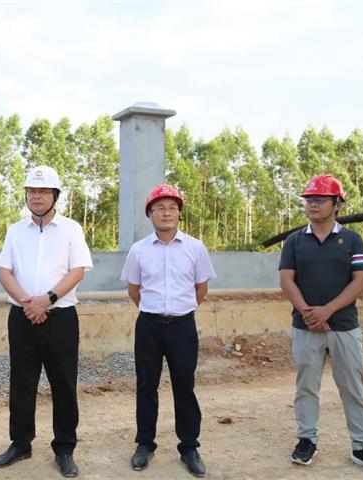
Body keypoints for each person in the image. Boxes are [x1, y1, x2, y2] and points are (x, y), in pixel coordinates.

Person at [279, 174, 363, 477]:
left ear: (337, 204)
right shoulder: (294, 241)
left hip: (344, 326)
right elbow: (287, 280)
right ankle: (306, 440)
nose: (313, 204)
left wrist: (327, 311)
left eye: (320, 199)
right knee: (306, 387)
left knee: (353, 388)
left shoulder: (353, 239)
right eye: (309, 199)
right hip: (305, 327)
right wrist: (309, 314)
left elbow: (360, 282)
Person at [0, 165, 93, 478]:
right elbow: (4, 273)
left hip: (60, 318)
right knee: (22, 382)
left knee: (64, 384)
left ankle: (65, 448)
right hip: (22, 317)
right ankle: (21, 443)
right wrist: (27, 302)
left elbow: (78, 270)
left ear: (55, 195)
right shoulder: (15, 230)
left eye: (44, 191)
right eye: (32, 191)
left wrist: (46, 299)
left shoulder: (71, 229)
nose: (37, 196)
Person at [120, 183, 215, 478]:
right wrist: (154, 309)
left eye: (172, 208)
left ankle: (189, 447)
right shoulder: (138, 250)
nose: (166, 213)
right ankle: (145, 444)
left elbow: (201, 289)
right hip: (149, 326)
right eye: (160, 208)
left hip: (183, 326)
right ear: (150, 214)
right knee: (146, 385)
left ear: (179, 213)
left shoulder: (195, 248)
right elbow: (134, 290)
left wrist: (179, 309)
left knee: (184, 386)